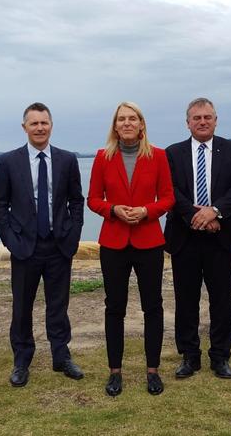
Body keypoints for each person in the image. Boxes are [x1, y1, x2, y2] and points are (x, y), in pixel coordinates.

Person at [0, 102, 84, 388]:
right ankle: (22, 361)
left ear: (51, 126)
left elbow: (76, 201)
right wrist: (10, 239)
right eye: (34, 123)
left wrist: (72, 232)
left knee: (58, 305)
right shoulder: (8, 161)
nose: (40, 128)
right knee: (22, 307)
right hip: (24, 248)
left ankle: (61, 356)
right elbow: (0, 205)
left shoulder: (68, 160)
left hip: (58, 246)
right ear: (25, 128)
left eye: (44, 123)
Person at [88, 102, 174, 396]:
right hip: (113, 242)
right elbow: (93, 199)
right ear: (115, 126)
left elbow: (167, 198)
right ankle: (115, 372)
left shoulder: (158, 156)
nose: (126, 123)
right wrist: (113, 210)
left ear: (141, 124)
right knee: (115, 308)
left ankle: (153, 371)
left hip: (148, 240)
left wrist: (146, 211)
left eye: (132, 118)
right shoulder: (102, 158)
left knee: (153, 307)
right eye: (121, 119)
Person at [164, 97, 231, 380]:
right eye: (196, 117)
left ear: (216, 119)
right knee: (186, 300)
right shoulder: (172, 153)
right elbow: (171, 191)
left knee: (222, 299)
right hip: (184, 237)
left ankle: (220, 357)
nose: (202, 121)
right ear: (187, 122)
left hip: (222, 236)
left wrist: (214, 212)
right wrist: (195, 217)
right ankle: (189, 357)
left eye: (207, 117)